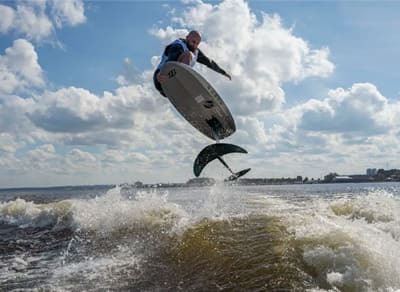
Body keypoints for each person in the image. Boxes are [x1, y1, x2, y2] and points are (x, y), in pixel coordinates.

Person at [153, 30, 231, 97]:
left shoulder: (196, 51)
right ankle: (181, 87)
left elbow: (209, 63)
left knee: (194, 73)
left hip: (171, 85)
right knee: (188, 55)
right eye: (193, 42)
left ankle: (182, 91)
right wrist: (160, 74)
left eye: (197, 43)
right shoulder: (177, 46)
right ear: (187, 38)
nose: (195, 45)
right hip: (161, 77)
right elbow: (170, 59)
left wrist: (223, 72)